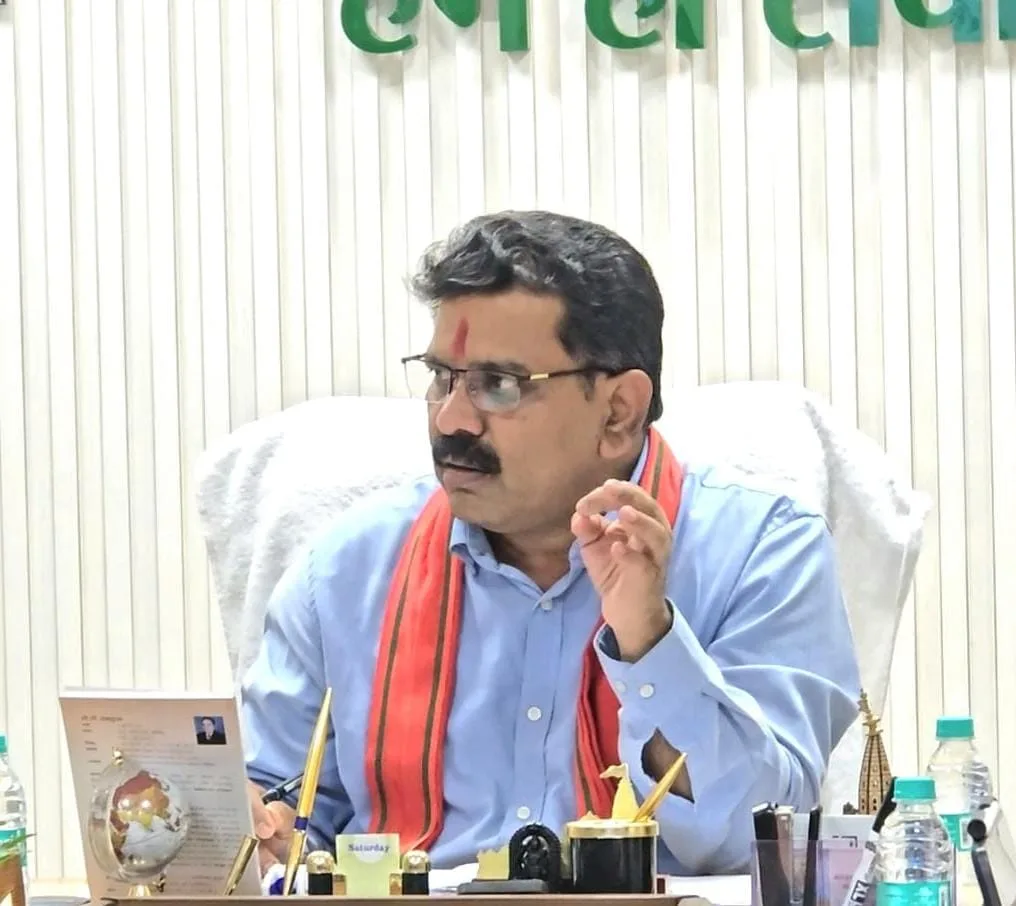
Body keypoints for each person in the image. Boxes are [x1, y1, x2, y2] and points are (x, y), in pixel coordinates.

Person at [241, 210, 861, 876]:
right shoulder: (347, 572)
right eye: (441, 376)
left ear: (618, 412)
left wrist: (649, 641)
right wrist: (254, 828)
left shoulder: (764, 553)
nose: (451, 418)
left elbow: (754, 843)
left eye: (498, 385)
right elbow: (282, 812)